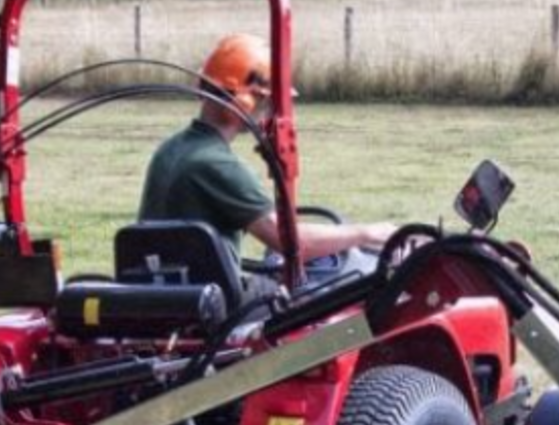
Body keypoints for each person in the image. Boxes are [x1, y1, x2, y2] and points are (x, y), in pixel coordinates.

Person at [137, 34, 396, 285]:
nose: (270, 113)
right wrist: (367, 233)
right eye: (268, 102)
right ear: (246, 100)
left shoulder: (170, 149)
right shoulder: (215, 164)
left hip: (171, 290)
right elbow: (292, 243)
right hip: (213, 308)